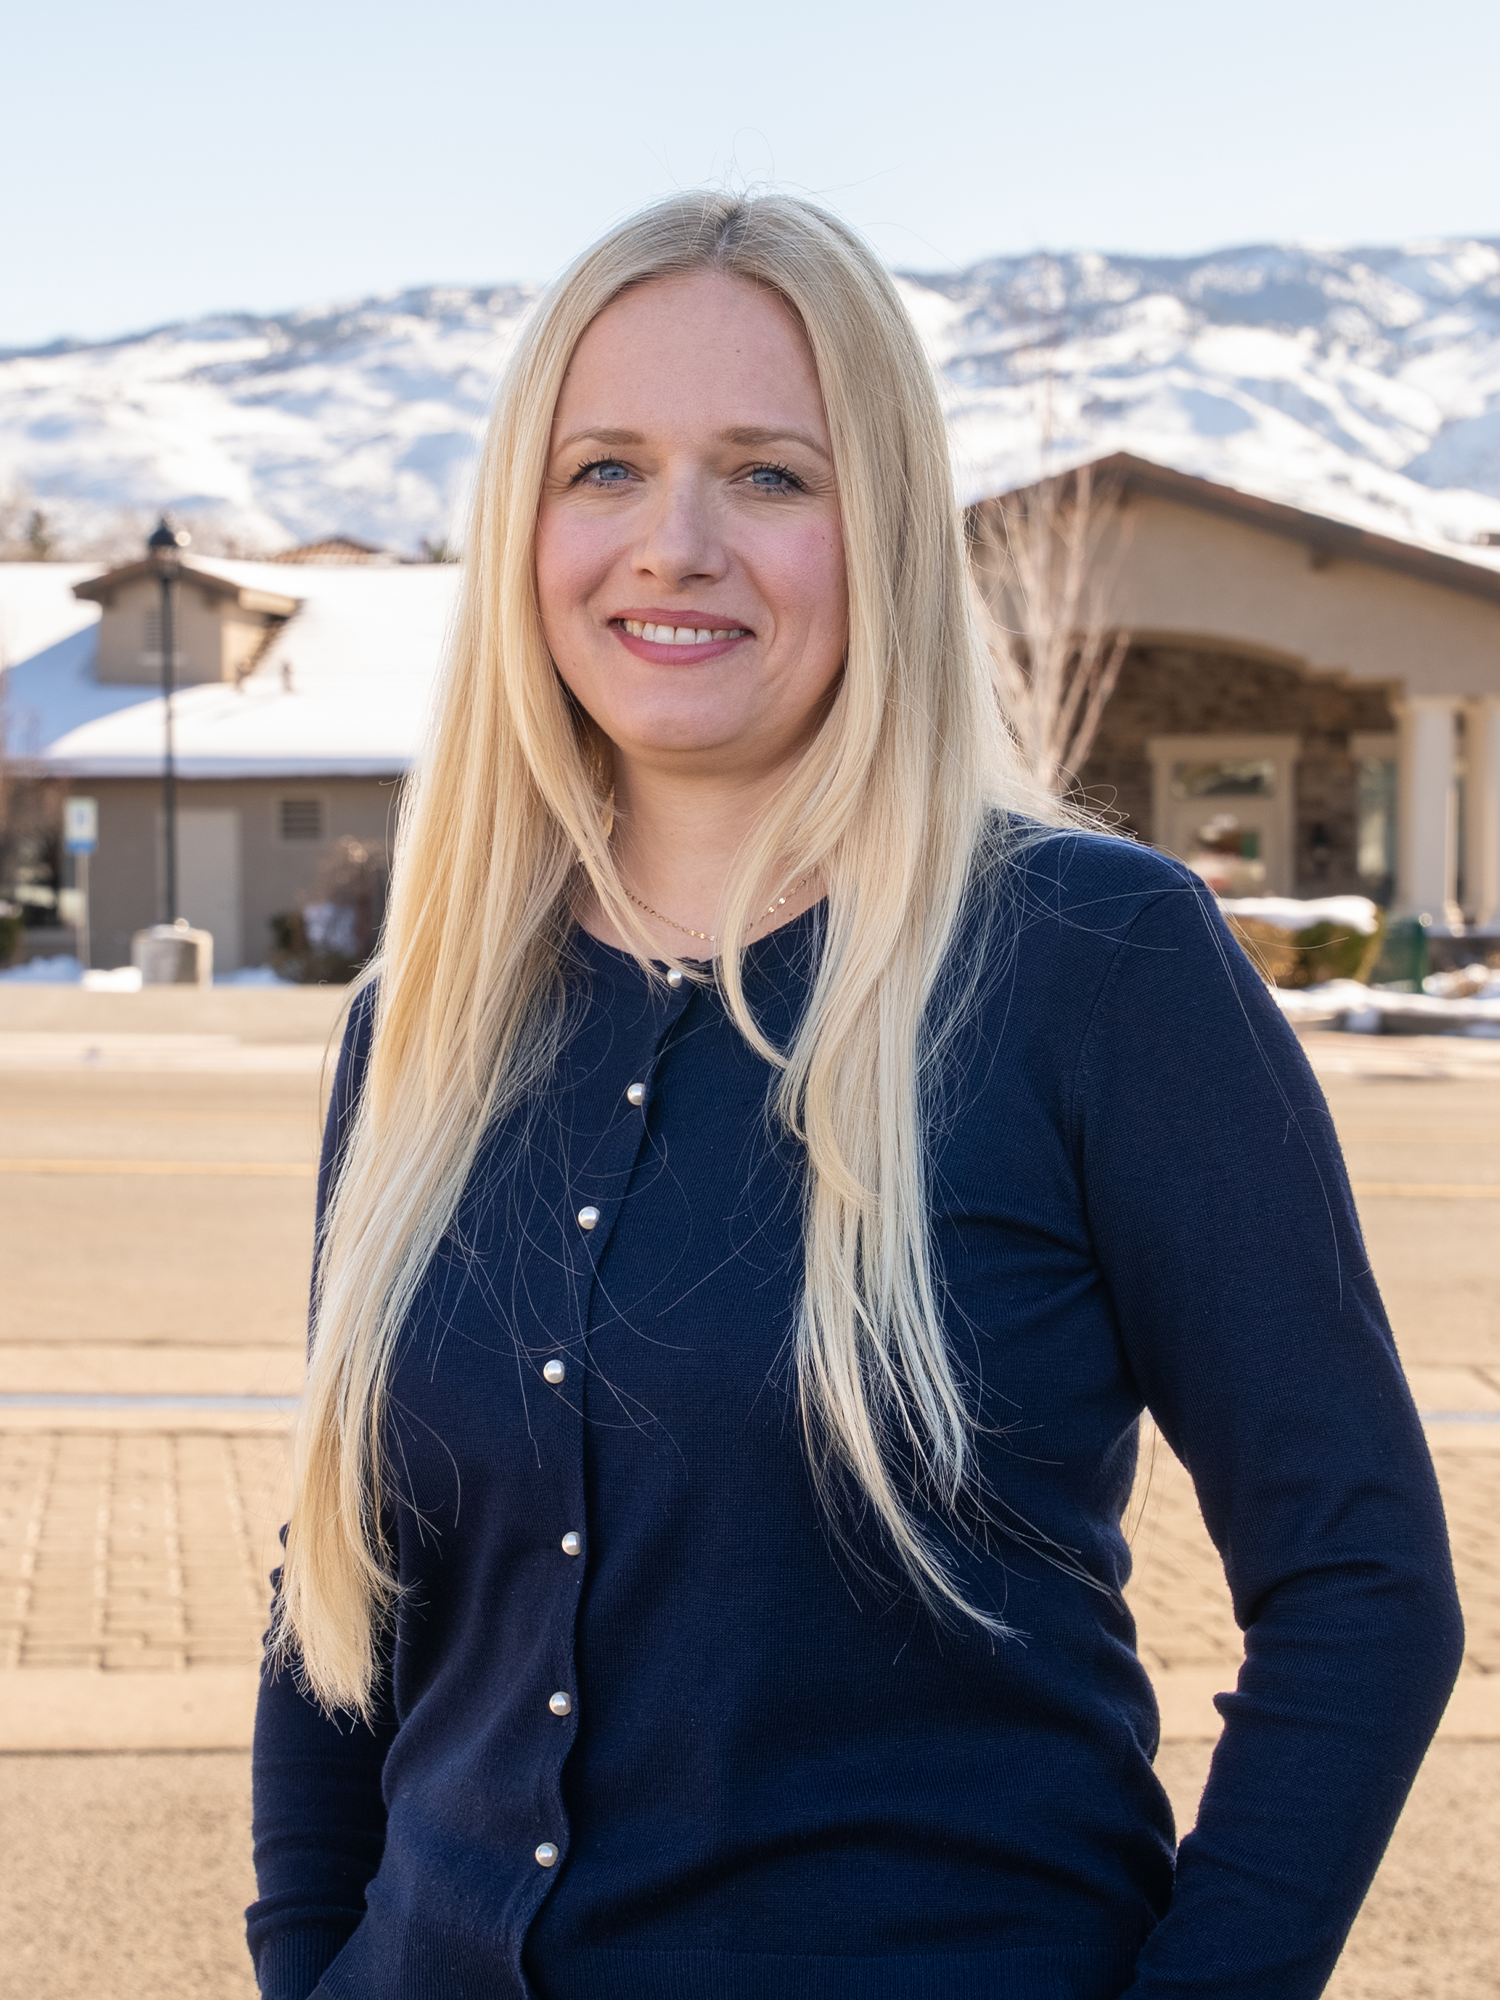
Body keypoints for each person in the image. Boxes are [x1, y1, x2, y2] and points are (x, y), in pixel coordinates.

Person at [248, 192, 1462, 2000]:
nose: (673, 545)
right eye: (603, 470)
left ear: (881, 526)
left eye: (766, 475)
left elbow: (1364, 1588)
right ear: (521, 524)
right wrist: (309, 1961)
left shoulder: (1093, 964)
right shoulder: (423, 1017)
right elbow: (343, 1589)